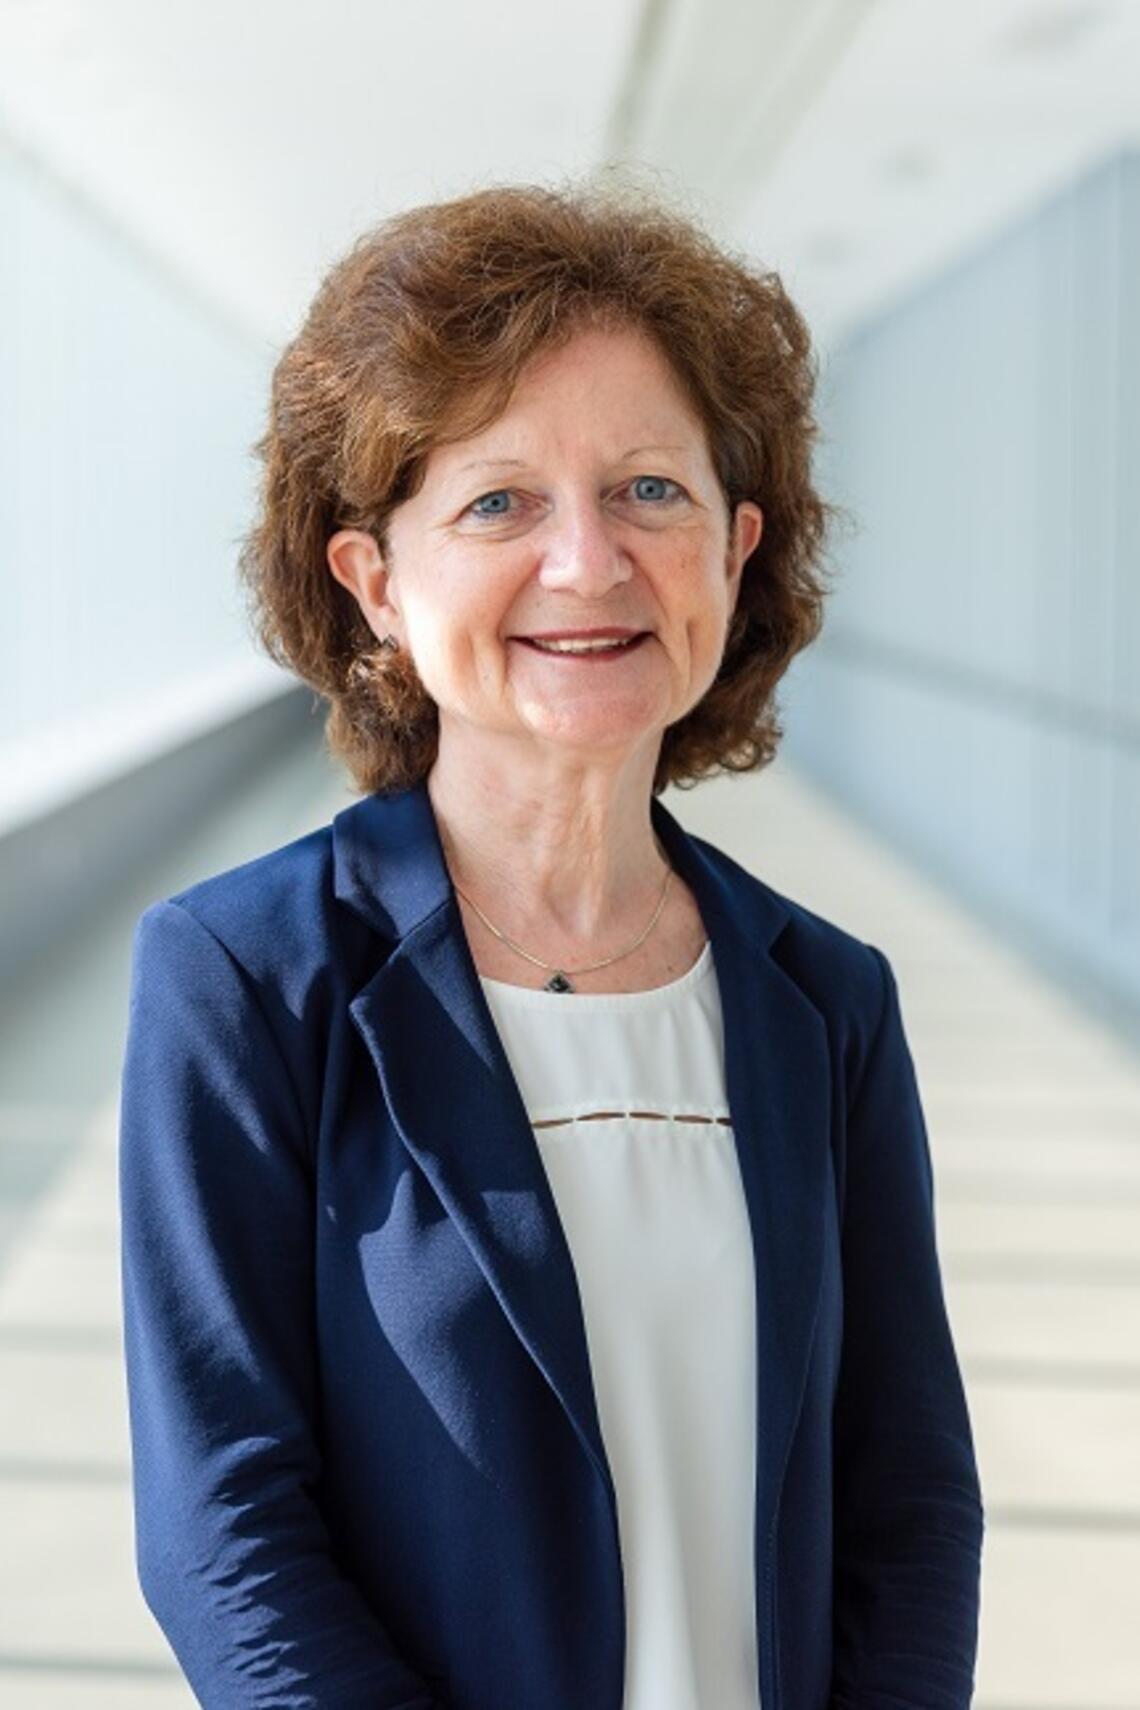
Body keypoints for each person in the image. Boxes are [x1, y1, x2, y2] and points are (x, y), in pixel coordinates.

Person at [118, 178, 984, 1710]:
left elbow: (910, 1507)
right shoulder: (244, 978)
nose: (588, 562)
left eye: (650, 489)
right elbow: (224, 1533)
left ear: (736, 548)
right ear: (376, 580)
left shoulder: (828, 998)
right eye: (498, 501)